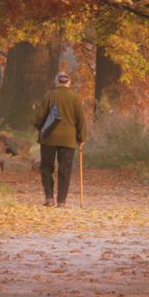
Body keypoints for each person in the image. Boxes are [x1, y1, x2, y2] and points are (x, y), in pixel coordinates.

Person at [34, 71, 87, 207]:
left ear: (56, 82)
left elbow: (39, 117)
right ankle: (62, 201)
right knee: (65, 169)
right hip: (68, 139)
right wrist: (81, 138)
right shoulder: (75, 98)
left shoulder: (49, 95)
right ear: (69, 83)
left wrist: (40, 128)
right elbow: (81, 120)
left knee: (46, 167)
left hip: (48, 138)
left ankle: (49, 198)